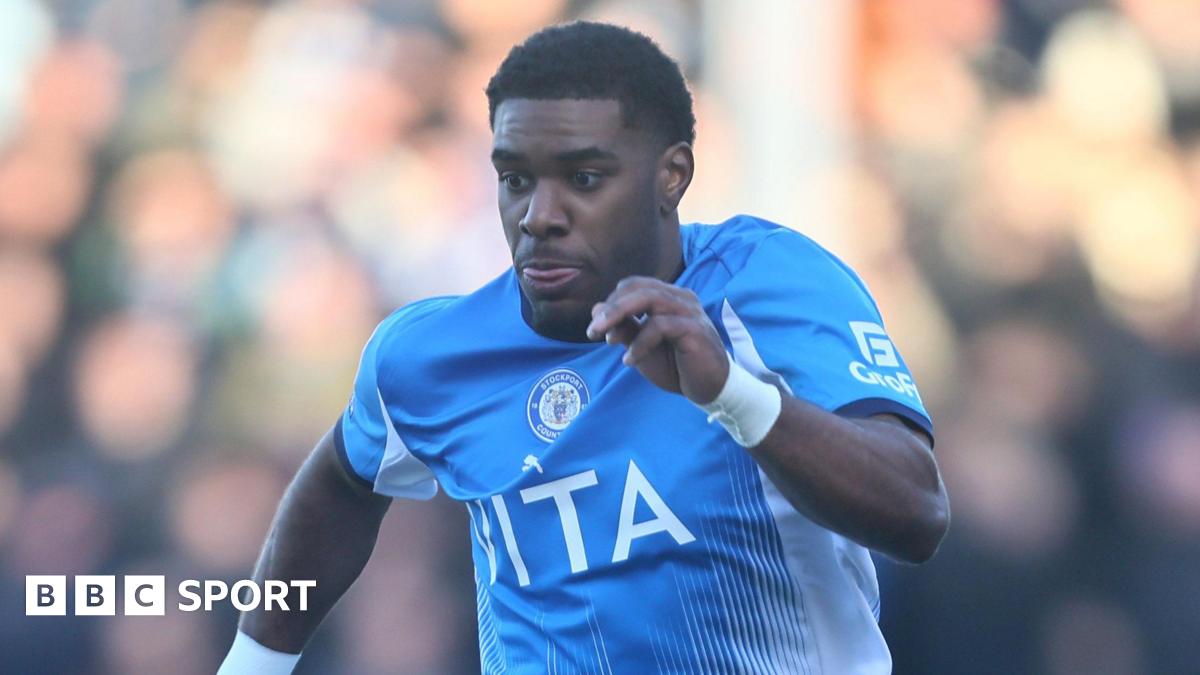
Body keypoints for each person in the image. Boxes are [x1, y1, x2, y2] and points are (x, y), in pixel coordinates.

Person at [218, 21, 949, 675]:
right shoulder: (430, 355)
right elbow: (343, 483)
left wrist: (732, 393)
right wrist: (252, 662)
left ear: (672, 175)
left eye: (585, 178)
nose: (539, 216)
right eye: (515, 179)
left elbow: (915, 511)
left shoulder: (769, 285)